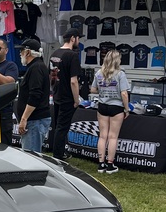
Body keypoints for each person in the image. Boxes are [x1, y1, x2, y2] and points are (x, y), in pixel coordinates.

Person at [90, 49, 130, 174]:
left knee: (102, 136)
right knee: (113, 137)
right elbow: (124, 93)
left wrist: (103, 91)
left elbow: (92, 90)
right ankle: (110, 165)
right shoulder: (120, 74)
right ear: (117, 60)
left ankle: (101, 164)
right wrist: (127, 109)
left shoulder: (99, 73)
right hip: (116, 107)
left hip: (102, 106)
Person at [49, 27, 82, 161]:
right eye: (78, 38)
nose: (78, 41)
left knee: (58, 126)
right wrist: (76, 100)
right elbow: (74, 81)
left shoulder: (54, 53)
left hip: (56, 94)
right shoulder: (72, 55)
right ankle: (57, 156)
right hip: (67, 97)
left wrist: (54, 91)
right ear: (73, 38)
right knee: (62, 128)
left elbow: (51, 76)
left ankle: (59, 152)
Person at [16, 38, 51, 153]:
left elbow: (35, 95)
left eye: (21, 51)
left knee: (31, 157)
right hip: (34, 120)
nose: (20, 54)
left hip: (35, 120)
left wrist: (24, 118)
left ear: (28, 52)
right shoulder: (35, 67)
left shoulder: (36, 68)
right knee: (30, 154)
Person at [0, 37, 19, 145]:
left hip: (3, 109)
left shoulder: (10, 66)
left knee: (3, 141)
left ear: (6, 50)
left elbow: (8, 82)